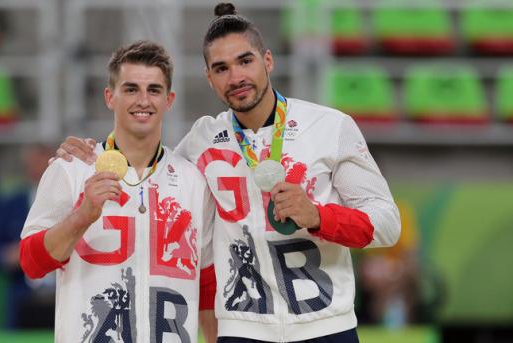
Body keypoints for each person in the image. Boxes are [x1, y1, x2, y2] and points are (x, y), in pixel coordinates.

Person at [55, 3, 401, 342]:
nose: (236, 77)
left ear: (267, 61)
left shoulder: (330, 127)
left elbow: (387, 224)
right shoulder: (202, 141)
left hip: (325, 326)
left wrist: (317, 216)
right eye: (221, 68)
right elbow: (148, 164)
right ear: (209, 79)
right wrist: (90, 153)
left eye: (245, 61)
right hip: (242, 329)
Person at [18, 41, 217, 343]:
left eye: (154, 90)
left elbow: (207, 287)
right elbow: (32, 263)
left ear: (169, 100)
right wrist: (82, 216)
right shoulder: (71, 169)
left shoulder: (193, 181)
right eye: (131, 89)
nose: (143, 100)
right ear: (110, 97)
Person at [0, 143, 56, 329]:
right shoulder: (9, 204)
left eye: (43, 163)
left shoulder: (72, 201)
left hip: (62, 293)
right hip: (22, 296)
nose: (38, 168)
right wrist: (8, 255)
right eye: (33, 163)